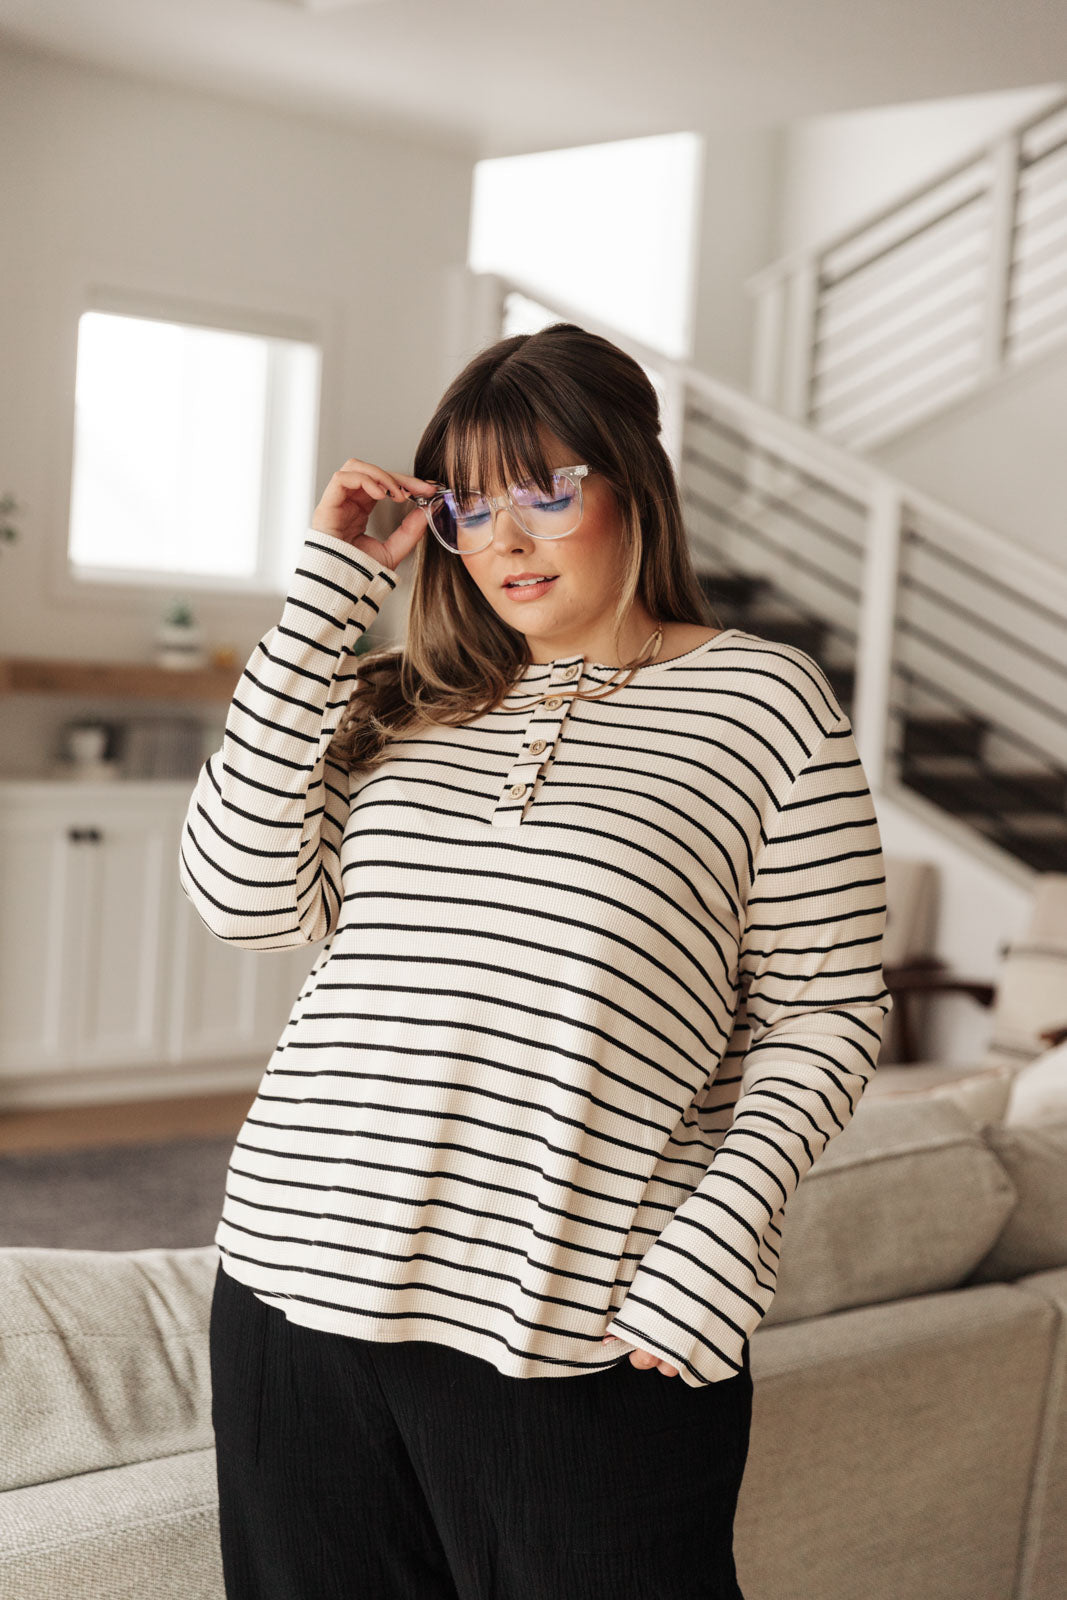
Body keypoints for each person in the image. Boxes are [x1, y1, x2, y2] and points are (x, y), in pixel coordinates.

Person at [181, 321, 893, 1599]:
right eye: (467, 504)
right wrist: (326, 594)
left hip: (582, 1317)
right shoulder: (397, 696)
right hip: (291, 1278)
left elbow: (826, 1011)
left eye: (544, 490)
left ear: (633, 481)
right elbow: (238, 897)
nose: (503, 538)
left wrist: (718, 1239)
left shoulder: (763, 703)